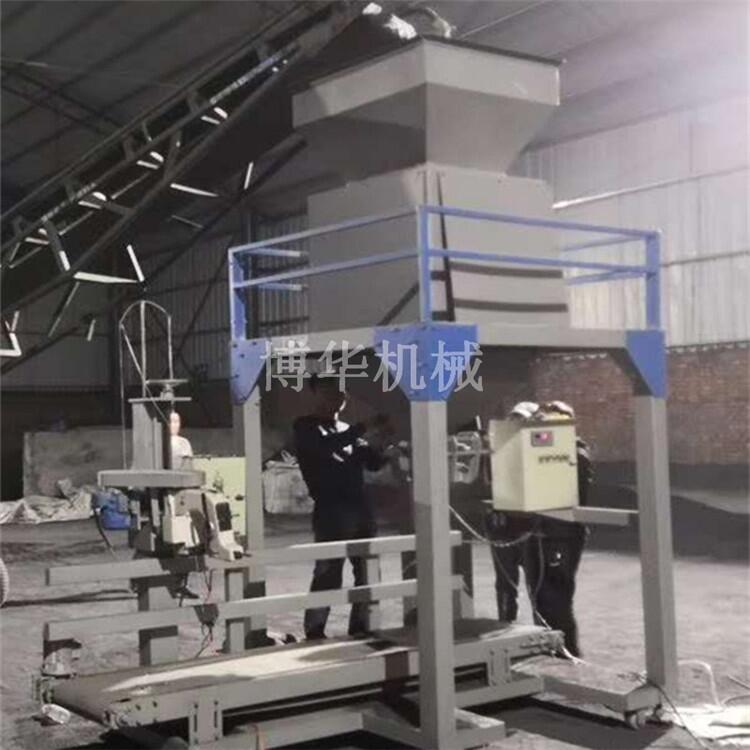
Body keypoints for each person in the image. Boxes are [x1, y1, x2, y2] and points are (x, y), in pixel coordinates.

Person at [294, 374, 390, 640]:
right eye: (329, 390)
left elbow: (372, 462)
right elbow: (324, 447)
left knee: (368, 572)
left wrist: (385, 443)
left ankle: (362, 627)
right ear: (315, 394)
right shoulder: (306, 427)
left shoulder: (348, 429)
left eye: (341, 391)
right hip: (331, 511)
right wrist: (362, 428)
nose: (337, 395)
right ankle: (315, 631)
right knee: (328, 573)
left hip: (361, 510)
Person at [524, 401, 592, 657]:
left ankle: (568, 652)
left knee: (558, 599)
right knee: (540, 597)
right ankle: (549, 648)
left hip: (562, 534)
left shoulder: (576, 454)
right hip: (541, 532)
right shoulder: (544, 452)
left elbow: (568, 492)